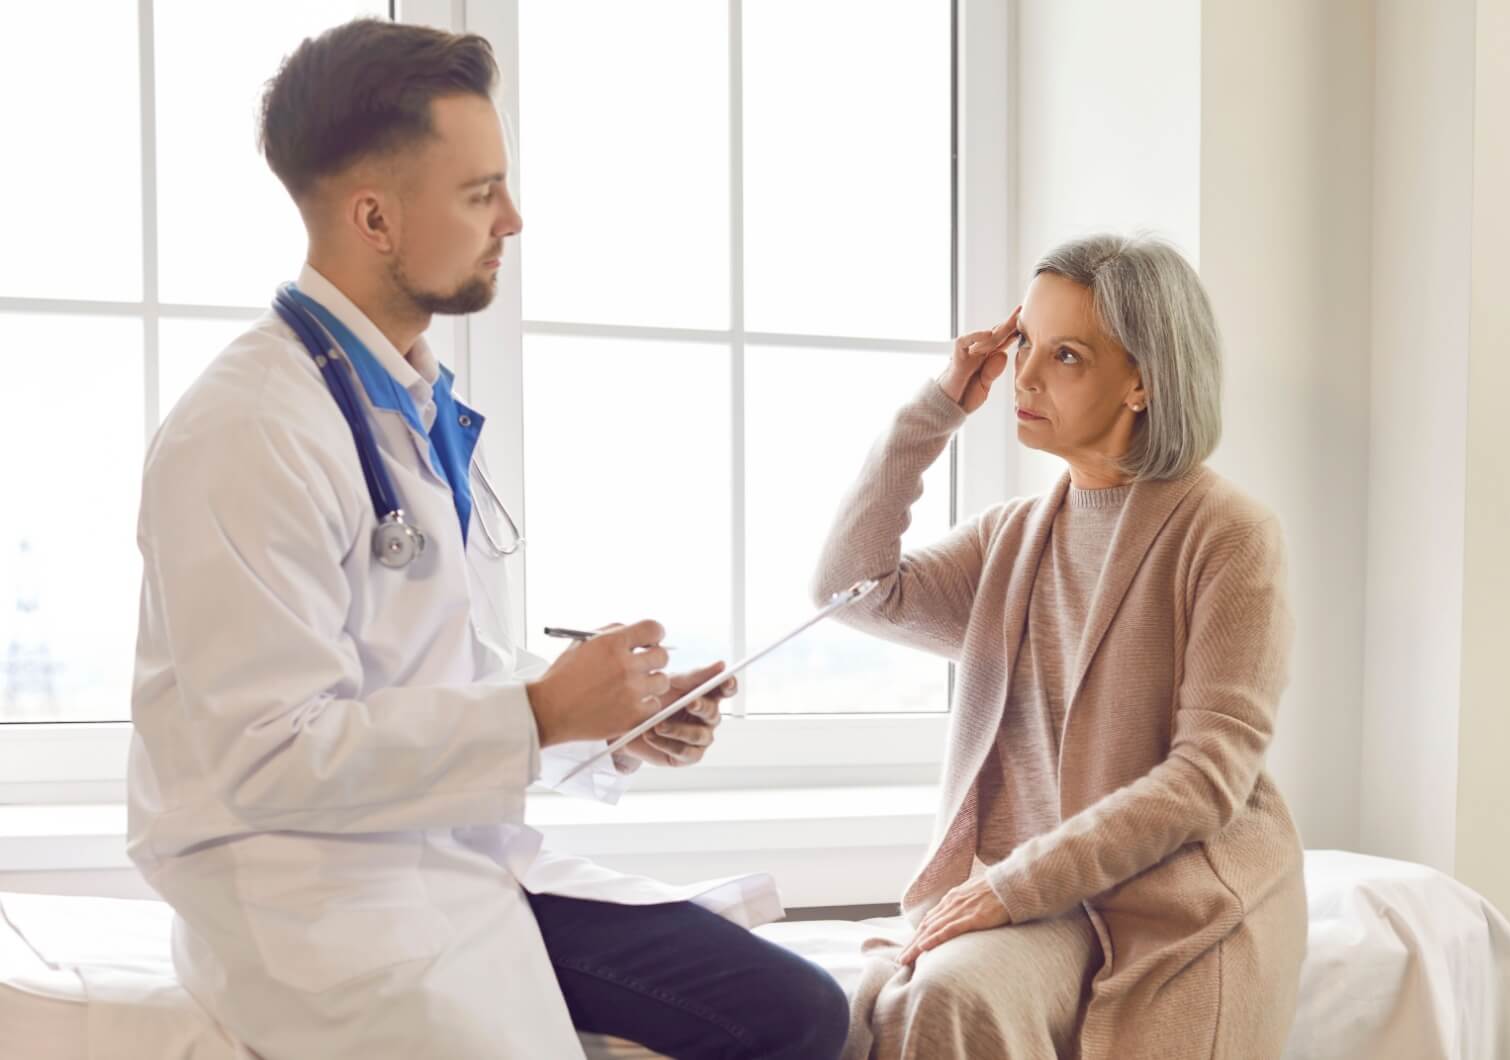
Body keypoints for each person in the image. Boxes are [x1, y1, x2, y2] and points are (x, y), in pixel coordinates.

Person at [127, 19, 847, 1060]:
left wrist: (608, 721)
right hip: (310, 892)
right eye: (479, 193)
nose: (514, 217)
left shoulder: (401, 403)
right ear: (374, 217)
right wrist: (540, 711)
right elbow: (270, 756)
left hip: (446, 857)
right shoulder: (246, 430)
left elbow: (440, 672)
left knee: (798, 1010)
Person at [812, 234, 1307, 1059]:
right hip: (1039, 903)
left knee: (948, 994)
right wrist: (936, 408)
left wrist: (1011, 887)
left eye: (1067, 355)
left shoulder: (1231, 536)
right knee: (934, 997)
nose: (1026, 377)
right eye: (1024, 347)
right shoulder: (1011, 539)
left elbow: (1207, 779)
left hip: (1166, 897)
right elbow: (849, 590)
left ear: (1145, 380)